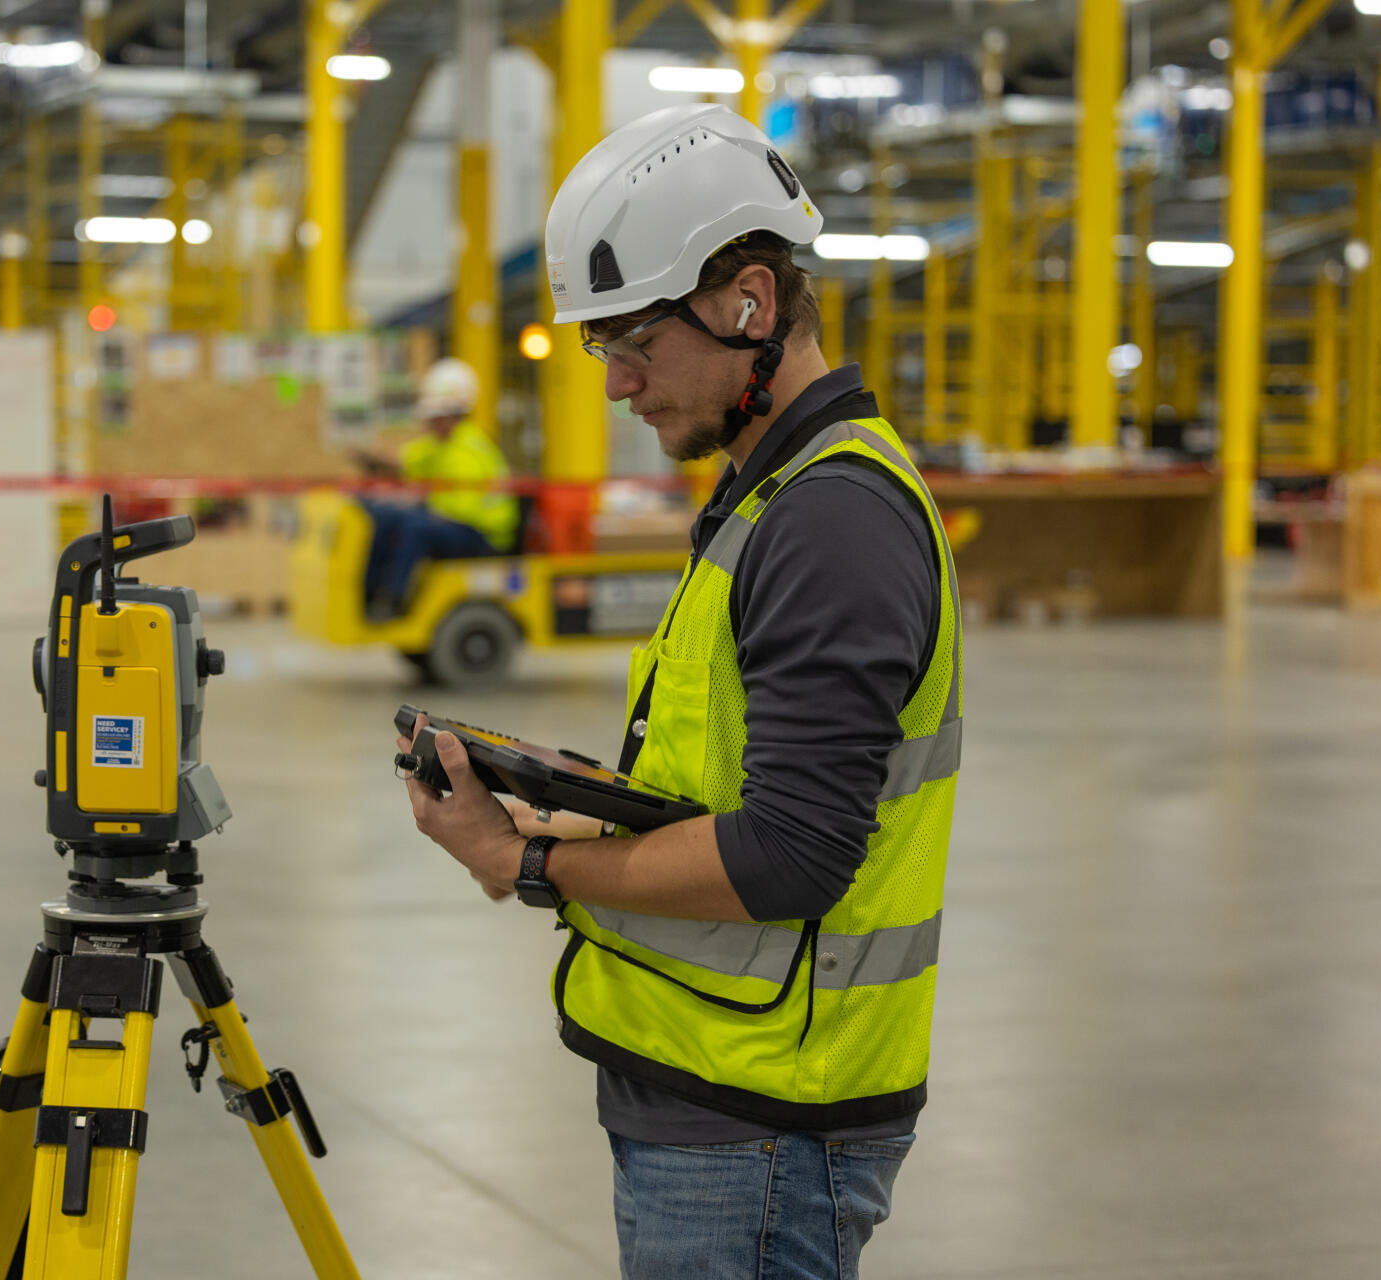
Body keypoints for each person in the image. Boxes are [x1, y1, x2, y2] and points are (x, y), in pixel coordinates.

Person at [398, 102, 961, 1279]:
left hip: (763, 1121)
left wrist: (529, 864)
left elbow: (791, 857)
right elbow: (727, 786)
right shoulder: (768, 496)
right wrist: (574, 803)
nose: (618, 387)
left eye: (632, 345)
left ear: (749, 303)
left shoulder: (832, 521)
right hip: (719, 1094)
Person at [353, 357, 518, 619]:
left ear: (452, 415)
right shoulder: (442, 444)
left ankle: (395, 600)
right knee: (384, 515)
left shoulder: (468, 449)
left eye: (435, 416)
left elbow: (460, 508)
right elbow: (406, 460)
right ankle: (369, 591)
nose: (429, 423)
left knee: (415, 528)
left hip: (483, 534)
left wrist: (416, 501)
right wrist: (370, 460)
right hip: (460, 523)